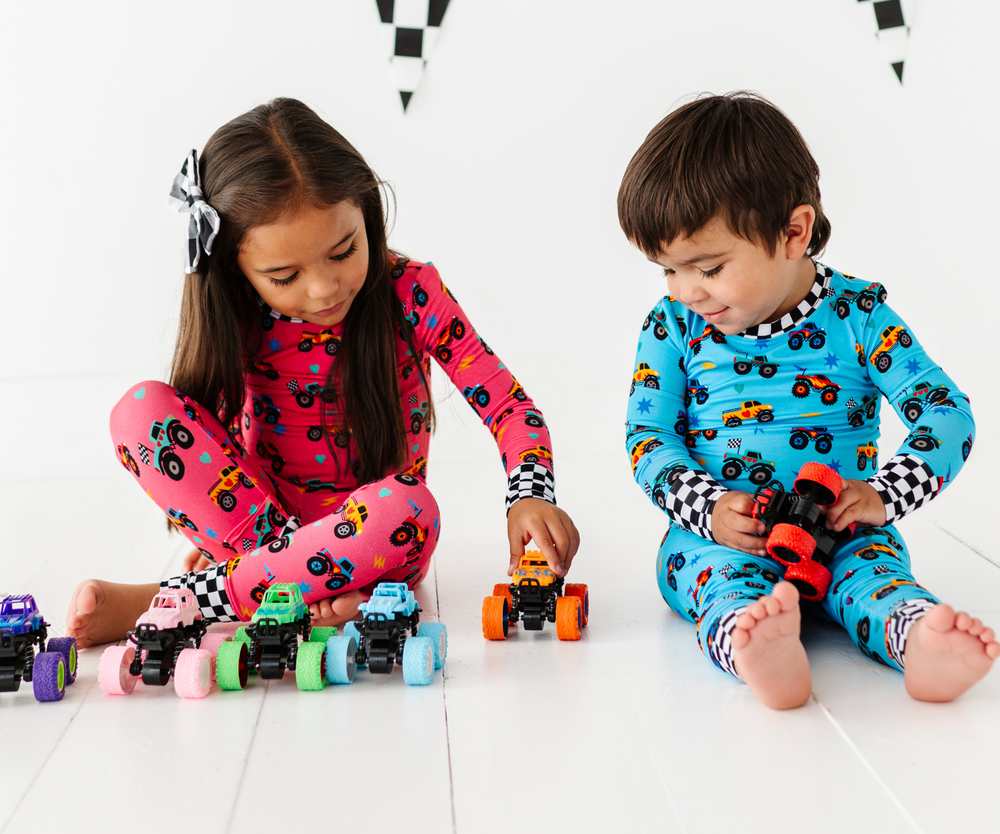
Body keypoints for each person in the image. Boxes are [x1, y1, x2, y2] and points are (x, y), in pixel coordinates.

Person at [67, 97, 578, 646]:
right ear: (235, 270)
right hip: (261, 540)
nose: (324, 288)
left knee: (411, 505)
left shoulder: (411, 292)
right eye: (285, 276)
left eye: (343, 251)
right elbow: (205, 455)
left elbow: (506, 403)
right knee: (137, 412)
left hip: (376, 547)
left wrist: (530, 492)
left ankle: (189, 599)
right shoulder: (235, 314)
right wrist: (233, 536)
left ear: (366, 212)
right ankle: (276, 588)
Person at [618, 92, 997, 709]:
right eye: (667, 270)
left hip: (842, 534)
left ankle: (918, 641)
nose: (685, 290)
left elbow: (946, 412)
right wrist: (709, 508)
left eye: (708, 268)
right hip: (720, 540)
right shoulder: (673, 327)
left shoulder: (857, 315)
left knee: (878, 581)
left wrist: (885, 494)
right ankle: (760, 650)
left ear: (792, 232)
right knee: (726, 594)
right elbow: (647, 439)